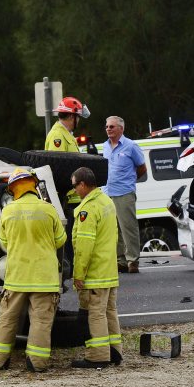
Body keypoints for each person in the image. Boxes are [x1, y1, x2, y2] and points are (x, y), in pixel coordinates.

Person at [0, 167, 66, 373]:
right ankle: (37, 363)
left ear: (13, 188)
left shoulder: (8, 211)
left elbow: (4, 242)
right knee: (41, 321)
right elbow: (60, 240)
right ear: (33, 185)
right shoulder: (48, 209)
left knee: (7, 318)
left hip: (16, 276)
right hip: (44, 277)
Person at [69, 167, 122, 369]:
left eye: (74, 186)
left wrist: (79, 274)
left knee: (95, 313)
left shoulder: (88, 209)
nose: (74, 191)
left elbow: (84, 245)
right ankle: (115, 351)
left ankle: (98, 356)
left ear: (83, 184)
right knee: (110, 311)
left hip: (95, 273)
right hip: (108, 269)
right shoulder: (106, 201)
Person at [102, 116, 146, 273]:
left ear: (121, 128)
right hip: (108, 193)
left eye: (112, 126)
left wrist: (129, 181)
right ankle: (120, 260)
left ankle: (132, 260)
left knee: (128, 227)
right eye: (107, 126)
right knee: (114, 228)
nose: (108, 129)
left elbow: (142, 168)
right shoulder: (105, 147)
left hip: (124, 192)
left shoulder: (131, 146)